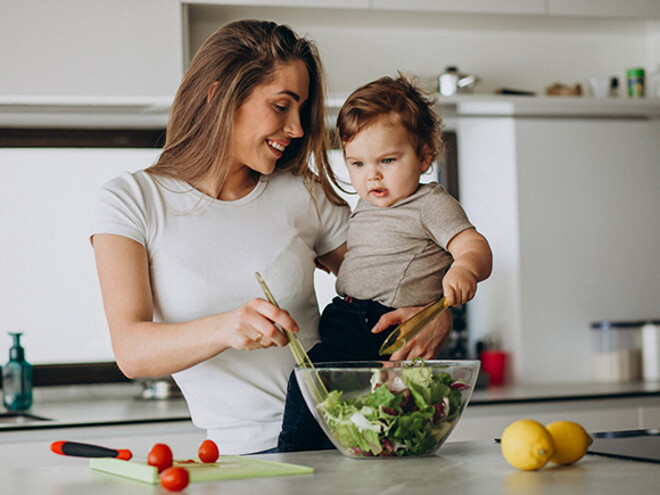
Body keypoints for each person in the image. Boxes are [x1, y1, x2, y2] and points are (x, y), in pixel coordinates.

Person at [90, 20, 451, 455]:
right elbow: (132, 351)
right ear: (219, 95)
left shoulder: (303, 191)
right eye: (282, 106)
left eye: (301, 110)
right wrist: (228, 327)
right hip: (242, 457)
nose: (297, 128)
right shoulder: (132, 200)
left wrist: (433, 314)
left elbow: (390, 276)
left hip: (352, 437)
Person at [278, 75, 493, 452]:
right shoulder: (366, 203)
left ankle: (294, 456)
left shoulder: (430, 203)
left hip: (381, 325)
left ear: (424, 156)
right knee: (358, 410)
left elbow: (474, 245)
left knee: (309, 379)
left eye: (388, 160)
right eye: (357, 163)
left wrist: (464, 268)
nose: (371, 175)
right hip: (345, 317)